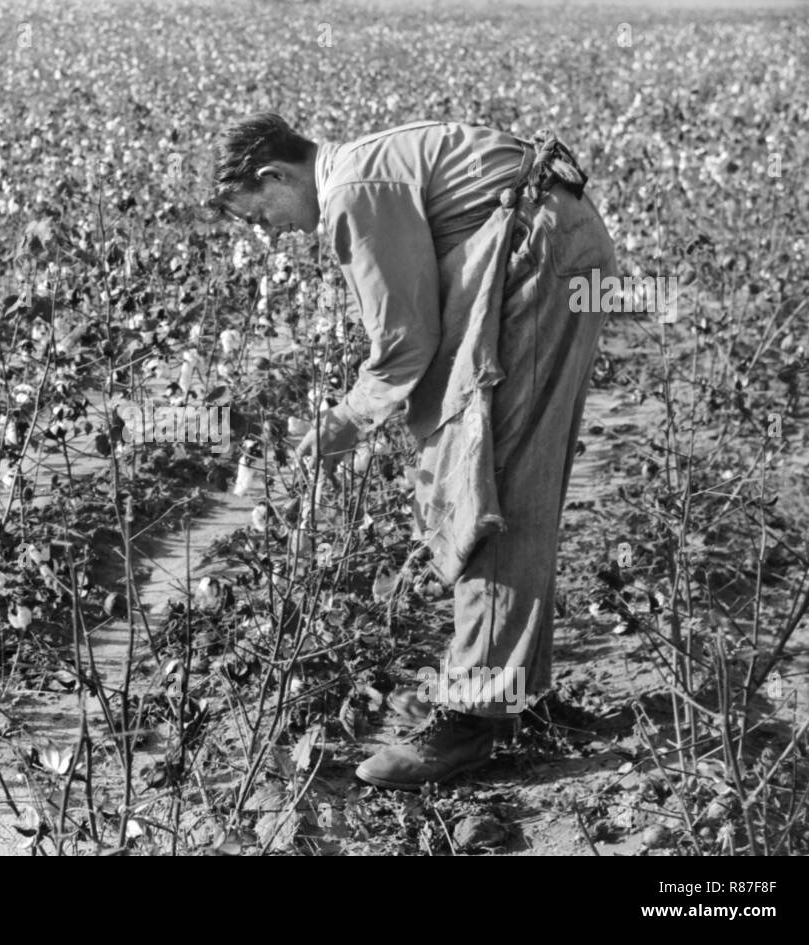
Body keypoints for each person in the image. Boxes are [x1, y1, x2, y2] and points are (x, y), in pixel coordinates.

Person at [206, 114, 618, 789]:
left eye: (260, 215)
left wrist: (339, 426)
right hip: (565, 248)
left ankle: (471, 719)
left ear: (273, 175)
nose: (270, 234)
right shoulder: (364, 165)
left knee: (493, 481)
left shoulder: (349, 192)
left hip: (543, 259)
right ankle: (517, 698)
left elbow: (405, 341)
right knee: (522, 477)